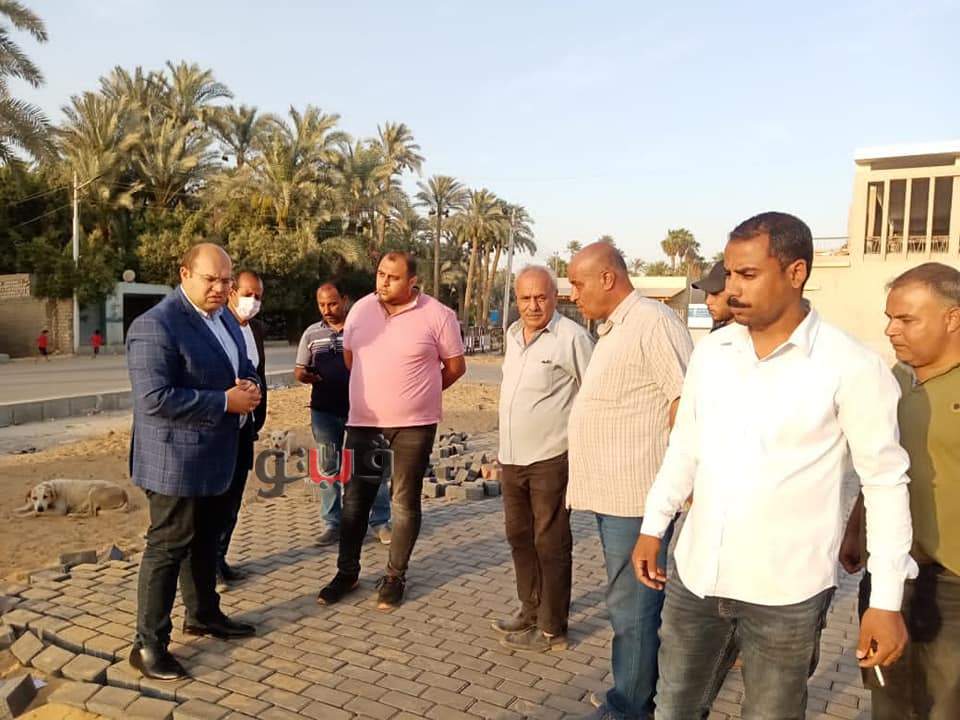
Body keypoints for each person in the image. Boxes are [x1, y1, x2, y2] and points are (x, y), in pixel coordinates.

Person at [633, 212, 917, 719]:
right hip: (697, 579)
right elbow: (685, 446)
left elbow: (885, 483)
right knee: (673, 708)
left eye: (748, 275)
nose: (732, 289)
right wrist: (654, 526)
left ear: (795, 272)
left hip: (786, 594)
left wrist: (886, 599)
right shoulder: (713, 353)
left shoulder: (850, 365)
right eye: (729, 274)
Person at [565, 242, 693, 720]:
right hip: (614, 496)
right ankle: (634, 695)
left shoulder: (654, 323)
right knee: (628, 605)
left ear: (607, 278)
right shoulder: (616, 328)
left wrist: (683, 482)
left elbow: (686, 403)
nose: (573, 294)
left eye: (577, 283)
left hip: (639, 500)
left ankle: (630, 708)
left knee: (633, 609)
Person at [126, 243, 259, 681]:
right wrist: (224, 401)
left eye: (226, 280)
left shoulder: (224, 319)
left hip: (219, 453)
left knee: (205, 541)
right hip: (176, 460)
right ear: (184, 274)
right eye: (211, 279)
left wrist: (249, 386)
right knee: (168, 547)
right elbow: (154, 398)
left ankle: (203, 614)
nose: (221, 288)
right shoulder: (156, 325)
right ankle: (148, 645)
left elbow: (239, 365)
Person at [839, 262, 960, 719]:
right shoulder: (894, 379)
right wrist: (856, 528)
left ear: (952, 318)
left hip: (952, 583)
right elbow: (882, 469)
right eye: (890, 318)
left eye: (907, 319)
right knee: (888, 697)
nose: (891, 330)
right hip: (890, 576)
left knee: (945, 705)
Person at [317, 252, 466, 609]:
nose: (383, 281)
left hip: (414, 427)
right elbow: (352, 359)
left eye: (393, 277)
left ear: (412, 281)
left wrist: (419, 395)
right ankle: (347, 573)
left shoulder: (438, 315)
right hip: (364, 423)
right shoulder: (361, 310)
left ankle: (394, 576)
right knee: (355, 501)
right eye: (381, 274)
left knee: (403, 501)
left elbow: (455, 367)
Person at [495, 266, 594, 653]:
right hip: (511, 458)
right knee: (519, 536)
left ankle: (553, 628)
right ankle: (530, 608)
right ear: (516, 299)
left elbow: (593, 393)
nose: (533, 306)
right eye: (525, 298)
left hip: (551, 458)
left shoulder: (572, 338)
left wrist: (581, 449)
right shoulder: (512, 334)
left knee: (550, 542)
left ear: (556, 297)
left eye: (541, 297)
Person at [295, 282, 391, 547]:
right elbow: (299, 370)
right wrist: (305, 376)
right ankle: (332, 524)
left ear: (345, 300)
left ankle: (380, 521)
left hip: (362, 411)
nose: (327, 309)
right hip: (324, 412)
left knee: (372, 464)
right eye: (322, 305)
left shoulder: (362, 330)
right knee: (328, 467)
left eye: (333, 303)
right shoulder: (311, 334)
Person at [217, 270, 268, 589]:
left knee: (234, 498)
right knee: (217, 499)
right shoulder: (219, 325)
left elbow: (258, 372)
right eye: (248, 294)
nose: (253, 301)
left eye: (258, 296)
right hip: (221, 425)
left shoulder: (255, 329)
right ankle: (208, 566)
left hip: (245, 426)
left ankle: (220, 557)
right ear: (233, 292)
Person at [691, 261, 733, 331]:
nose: (707, 301)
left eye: (715, 294)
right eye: (707, 294)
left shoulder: (749, 335)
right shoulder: (718, 333)